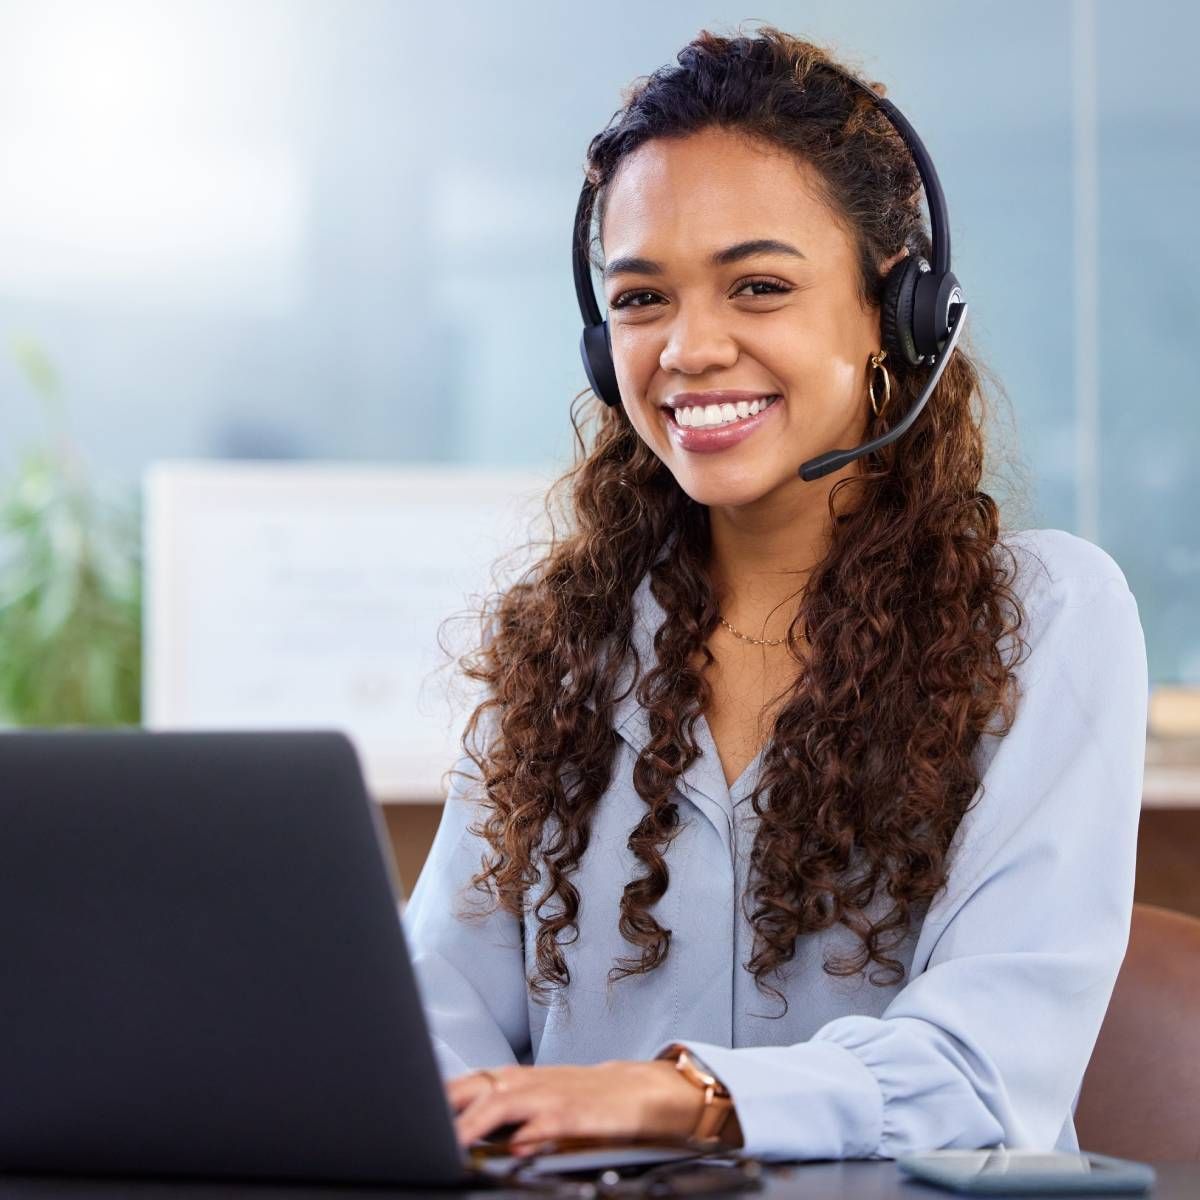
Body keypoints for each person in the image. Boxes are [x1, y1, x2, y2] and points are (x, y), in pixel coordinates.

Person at [401, 25, 1148, 1164]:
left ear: (893, 315)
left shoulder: (1044, 618)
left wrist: (677, 1097)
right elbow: (433, 1022)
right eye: (642, 298)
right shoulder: (567, 638)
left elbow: (986, 1067)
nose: (691, 347)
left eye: (758, 286)